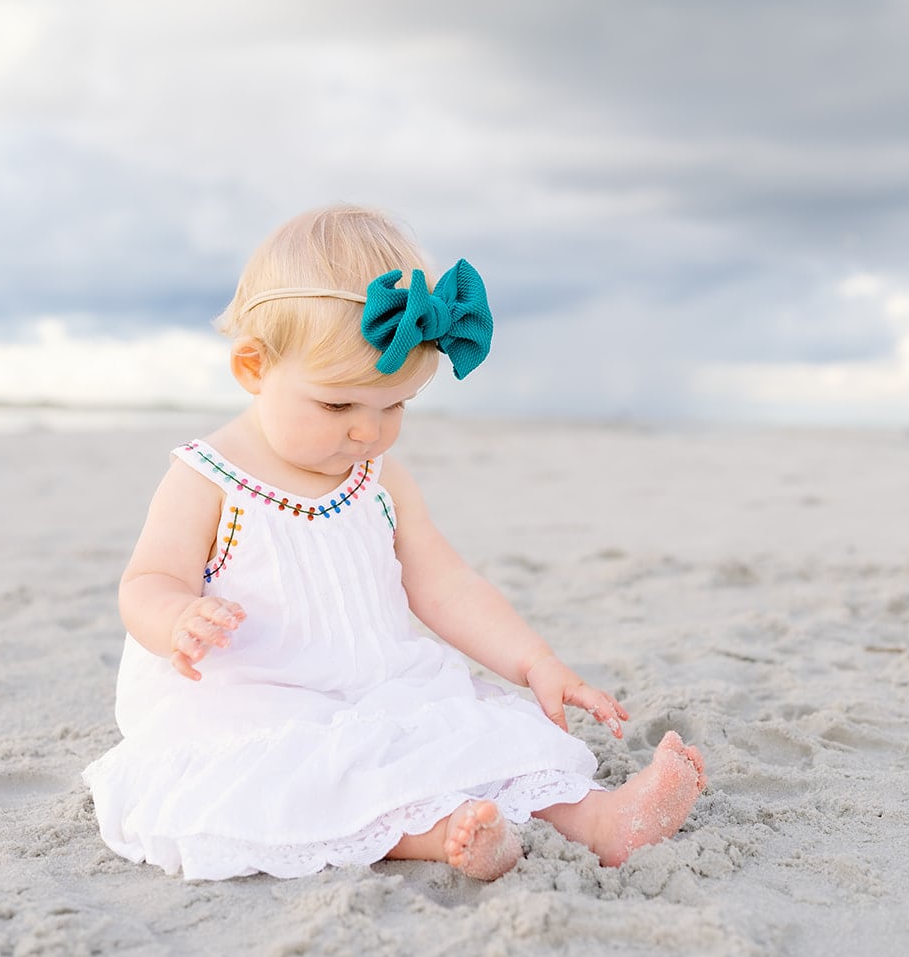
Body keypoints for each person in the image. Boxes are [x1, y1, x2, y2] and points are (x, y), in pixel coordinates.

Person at [83, 205, 706, 881]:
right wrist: (175, 616)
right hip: (259, 694)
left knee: (483, 735)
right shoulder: (209, 478)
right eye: (339, 405)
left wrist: (535, 661)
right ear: (253, 366)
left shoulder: (380, 481)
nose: (367, 433)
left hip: (377, 682)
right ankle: (449, 837)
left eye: (395, 406)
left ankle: (603, 819)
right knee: (315, 780)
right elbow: (146, 581)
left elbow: (447, 586)